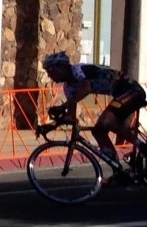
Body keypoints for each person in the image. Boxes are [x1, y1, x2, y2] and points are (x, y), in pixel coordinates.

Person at [42, 51, 145, 180]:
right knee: (98, 131)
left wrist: (63, 106)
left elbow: (86, 87)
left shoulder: (77, 70)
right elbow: (71, 117)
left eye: (50, 71)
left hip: (132, 91)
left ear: (60, 68)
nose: (49, 76)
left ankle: (143, 147)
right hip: (120, 94)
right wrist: (51, 126)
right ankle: (118, 171)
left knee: (106, 122)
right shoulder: (68, 87)